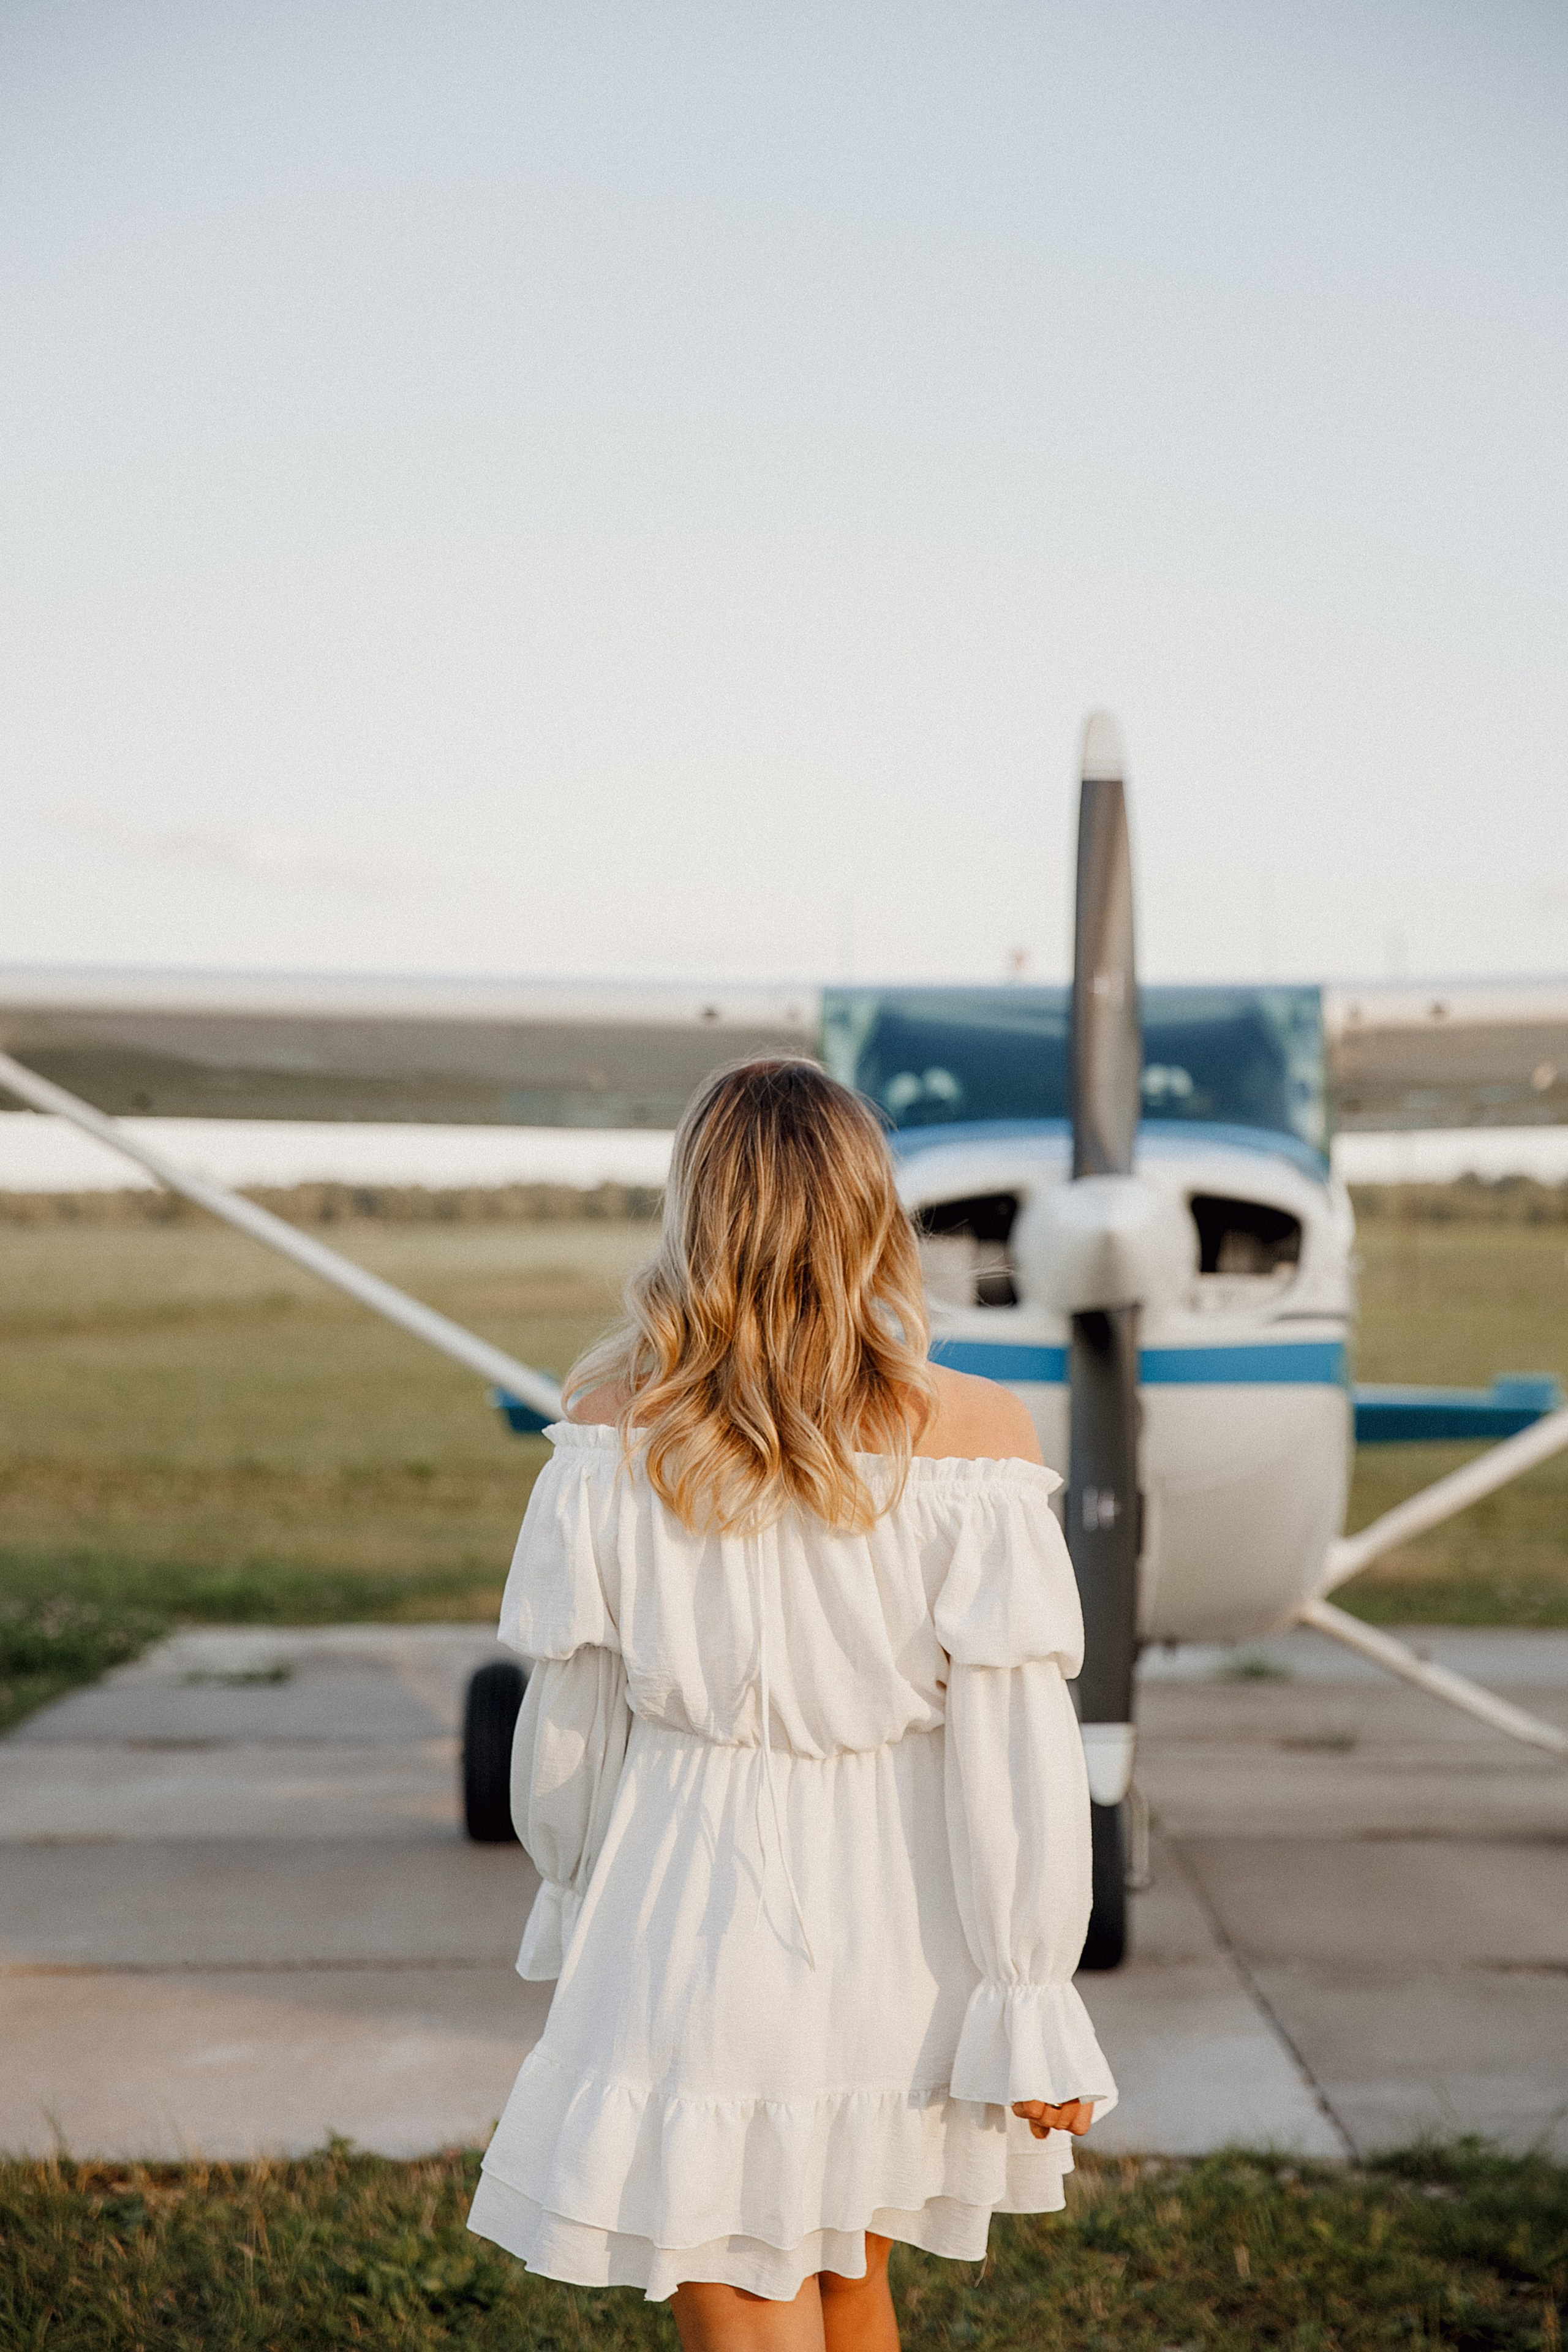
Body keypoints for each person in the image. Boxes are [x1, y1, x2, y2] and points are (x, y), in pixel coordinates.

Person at [468, 1058, 1117, 2348]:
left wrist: (567, 1889)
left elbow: (569, 1734)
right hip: (903, 1928)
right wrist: (1027, 1988)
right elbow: (1018, 1757)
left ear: (694, 1214)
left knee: (752, 2300)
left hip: (691, 1916)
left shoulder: (611, 1429)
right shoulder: (982, 1440)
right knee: (844, 2285)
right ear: (873, 1217)